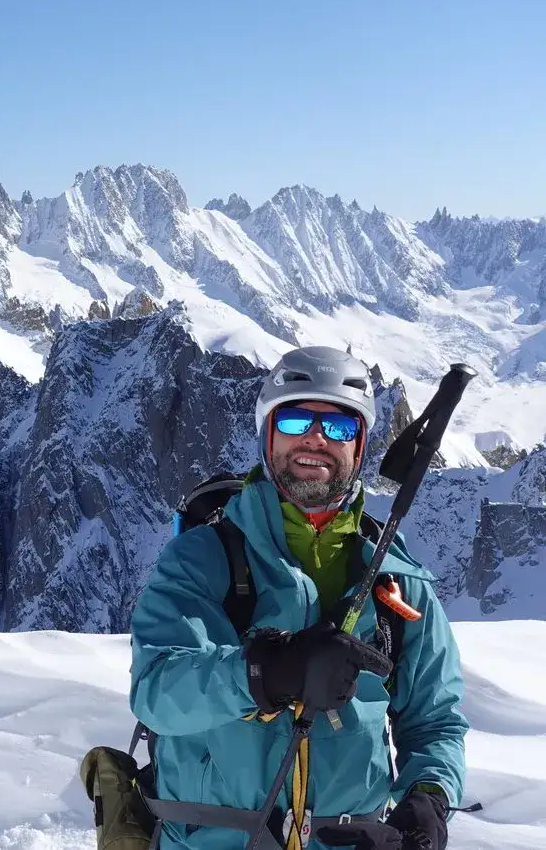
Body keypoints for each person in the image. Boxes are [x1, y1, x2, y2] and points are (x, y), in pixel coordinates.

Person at [128, 345, 469, 850]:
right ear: (267, 434)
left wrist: (430, 796)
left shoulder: (397, 583)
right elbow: (157, 690)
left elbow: (435, 717)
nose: (314, 440)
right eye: (294, 422)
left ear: (360, 446)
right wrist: (264, 673)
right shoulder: (202, 559)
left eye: (338, 428)